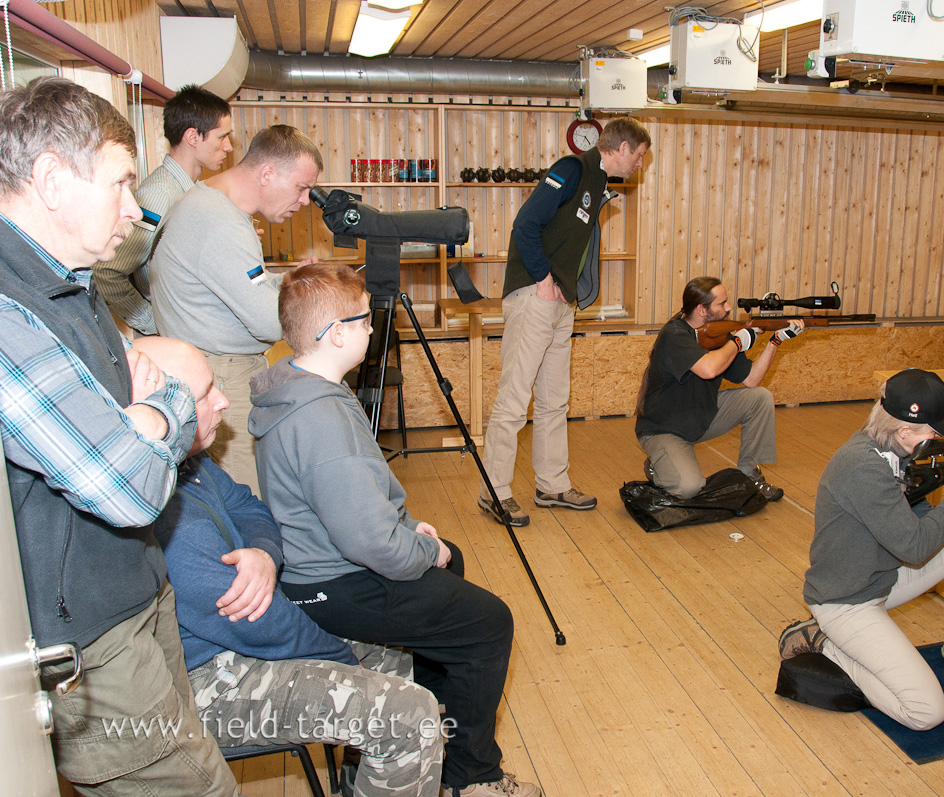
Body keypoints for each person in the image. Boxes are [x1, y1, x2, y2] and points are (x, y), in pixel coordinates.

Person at [0, 77, 237, 794]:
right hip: (95, 641)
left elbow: (145, 377)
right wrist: (169, 413)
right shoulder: (10, 312)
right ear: (49, 178)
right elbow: (127, 483)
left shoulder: (67, 280)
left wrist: (144, 415)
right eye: (121, 184)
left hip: (137, 598)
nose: (135, 211)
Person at [247, 262, 538, 797]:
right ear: (336, 335)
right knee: (491, 622)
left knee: (450, 558)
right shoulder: (322, 418)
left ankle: (433, 722)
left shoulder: (295, 388)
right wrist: (418, 550)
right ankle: (471, 775)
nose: (371, 329)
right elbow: (371, 542)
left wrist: (412, 532)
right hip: (332, 584)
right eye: (363, 321)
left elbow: (358, 506)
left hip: (318, 566)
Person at [135, 335, 443, 797]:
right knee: (408, 715)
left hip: (239, 638)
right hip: (205, 683)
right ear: (157, 411)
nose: (222, 402)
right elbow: (255, 623)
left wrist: (262, 553)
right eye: (203, 396)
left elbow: (252, 508)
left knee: (391, 648)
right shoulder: (162, 513)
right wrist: (338, 654)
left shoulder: (187, 464)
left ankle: (366, 784)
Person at [779, 368, 944, 731]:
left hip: (883, 576)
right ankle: (824, 642)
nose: (941, 438)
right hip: (846, 601)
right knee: (925, 713)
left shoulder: (892, 451)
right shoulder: (863, 467)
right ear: (905, 431)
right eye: (935, 431)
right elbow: (916, 547)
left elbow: (925, 523)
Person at [477, 117, 652, 526]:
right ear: (622, 148)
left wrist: (564, 293)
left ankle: (552, 484)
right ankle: (494, 491)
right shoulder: (573, 169)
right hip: (535, 295)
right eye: (640, 156)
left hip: (561, 301)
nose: (641, 165)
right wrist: (541, 279)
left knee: (555, 400)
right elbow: (525, 224)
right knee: (515, 399)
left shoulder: (597, 183)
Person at [150, 123, 322, 495]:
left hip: (213, 366)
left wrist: (287, 279)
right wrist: (303, 294)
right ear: (267, 172)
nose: (305, 200)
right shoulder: (222, 223)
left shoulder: (209, 202)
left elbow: (241, 286)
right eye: (301, 188)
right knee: (247, 503)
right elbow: (268, 324)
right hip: (222, 374)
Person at [634, 276, 799, 501]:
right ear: (702, 309)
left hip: (701, 415)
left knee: (760, 398)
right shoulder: (674, 335)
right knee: (688, 487)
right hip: (665, 429)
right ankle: (658, 464)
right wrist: (738, 342)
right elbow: (709, 369)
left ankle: (749, 475)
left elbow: (752, 380)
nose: (729, 308)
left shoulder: (719, 335)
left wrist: (775, 341)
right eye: (722, 303)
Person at [94, 84, 233, 335]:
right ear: (193, 137)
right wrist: (155, 324)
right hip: (171, 333)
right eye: (222, 137)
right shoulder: (159, 196)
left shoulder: (191, 190)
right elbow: (107, 273)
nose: (229, 146)